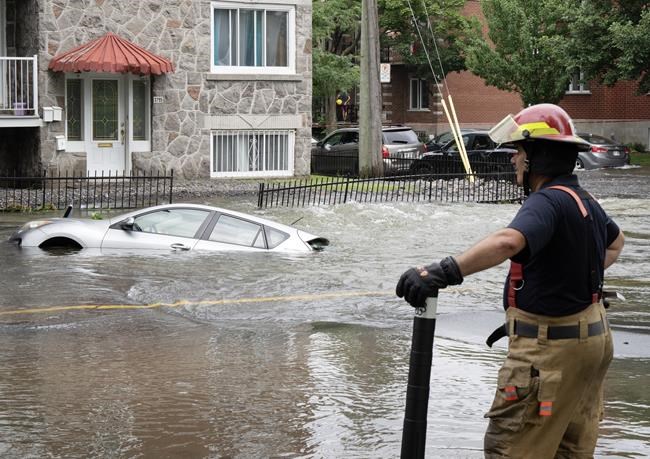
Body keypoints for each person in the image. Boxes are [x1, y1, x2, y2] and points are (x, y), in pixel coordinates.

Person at [396, 103, 625, 458]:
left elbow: (508, 242)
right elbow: (615, 243)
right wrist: (568, 282)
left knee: (513, 446)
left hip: (548, 357)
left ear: (537, 155)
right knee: (567, 448)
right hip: (590, 348)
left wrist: (443, 271)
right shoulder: (584, 199)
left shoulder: (546, 201)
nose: (513, 160)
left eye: (518, 152)